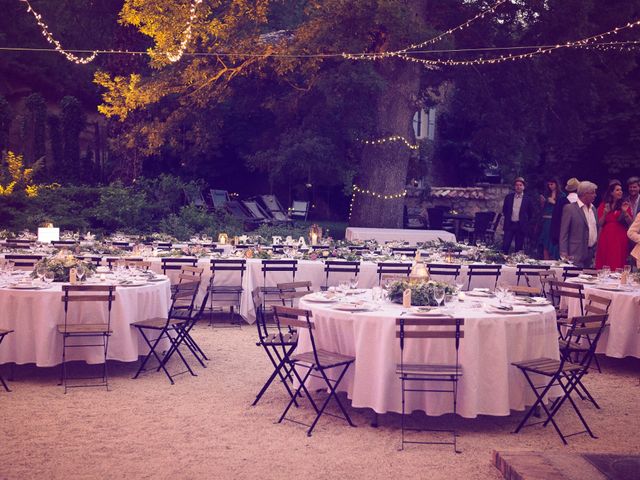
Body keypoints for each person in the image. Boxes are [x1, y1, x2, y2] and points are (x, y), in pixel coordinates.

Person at [595, 180, 633, 270]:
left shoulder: (625, 204)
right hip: (606, 236)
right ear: (611, 192)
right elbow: (600, 223)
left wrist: (625, 212)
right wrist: (605, 213)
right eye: (617, 190)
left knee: (617, 258)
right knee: (605, 258)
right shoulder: (604, 205)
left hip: (620, 236)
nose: (620, 192)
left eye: (621, 190)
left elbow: (631, 223)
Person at [559, 181, 598, 268]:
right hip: (575, 253)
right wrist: (563, 252)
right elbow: (564, 233)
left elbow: (595, 229)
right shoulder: (570, 209)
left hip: (591, 253)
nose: (595, 195)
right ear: (585, 194)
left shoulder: (594, 209)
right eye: (592, 193)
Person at [502, 177, 533, 253]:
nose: (518, 187)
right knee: (505, 246)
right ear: (514, 187)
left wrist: (524, 221)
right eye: (516, 185)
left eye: (520, 185)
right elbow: (504, 210)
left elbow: (530, 213)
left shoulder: (528, 199)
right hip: (510, 224)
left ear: (524, 187)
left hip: (520, 225)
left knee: (518, 248)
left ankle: (516, 263)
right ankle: (502, 261)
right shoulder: (508, 197)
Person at [538, 178, 564, 259]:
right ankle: (546, 263)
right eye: (549, 184)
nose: (550, 186)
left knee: (553, 242)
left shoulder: (562, 195)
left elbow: (563, 208)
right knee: (545, 242)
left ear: (556, 184)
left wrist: (554, 202)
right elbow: (543, 209)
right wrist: (542, 203)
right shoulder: (547, 194)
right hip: (546, 221)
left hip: (555, 221)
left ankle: (555, 261)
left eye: (552, 184)